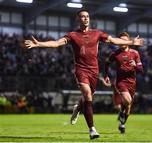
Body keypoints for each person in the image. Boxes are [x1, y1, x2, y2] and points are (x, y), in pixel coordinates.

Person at [24, 9, 144, 139]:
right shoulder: (72, 35)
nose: (85, 18)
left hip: (94, 71)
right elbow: (56, 43)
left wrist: (131, 42)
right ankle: (92, 129)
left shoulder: (97, 33)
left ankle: (77, 108)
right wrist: (39, 44)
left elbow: (114, 41)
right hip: (81, 70)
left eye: (87, 16)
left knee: (88, 96)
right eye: (82, 16)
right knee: (87, 94)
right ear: (78, 19)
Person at [104, 32, 143, 134]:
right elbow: (107, 63)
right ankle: (121, 113)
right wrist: (106, 75)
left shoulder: (135, 53)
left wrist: (135, 65)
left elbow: (141, 70)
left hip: (132, 82)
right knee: (128, 100)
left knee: (128, 107)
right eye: (120, 40)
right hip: (121, 82)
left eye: (124, 40)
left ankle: (122, 124)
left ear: (128, 41)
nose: (122, 42)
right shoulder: (115, 54)